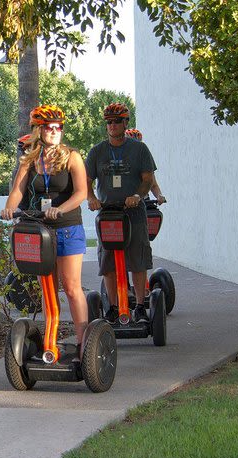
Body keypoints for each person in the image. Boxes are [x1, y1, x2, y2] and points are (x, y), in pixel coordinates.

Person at [1, 105, 89, 355]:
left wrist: (61, 209)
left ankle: (84, 343)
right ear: (38, 130)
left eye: (58, 127)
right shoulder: (30, 160)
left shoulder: (72, 156)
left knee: (71, 287)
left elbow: (81, 192)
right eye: (49, 127)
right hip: (41, 230)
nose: (54, 131)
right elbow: (18, 189)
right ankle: (51, 341)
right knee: (47, 287)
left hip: (67, 228)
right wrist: (9, 208)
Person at [86, 103, 156, 323]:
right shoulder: (97, 151)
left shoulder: (139, 149)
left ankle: (141, 308)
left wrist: (137, 196)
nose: (112, 125)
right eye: (109, 122)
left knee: (137, 261)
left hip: (133, 214)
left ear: (126, 123)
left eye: (117, 121)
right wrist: (91, 198)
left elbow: (147, 179)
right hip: (107, 215)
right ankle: (114, 308)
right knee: (108, 264)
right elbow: (86, 181)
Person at [125, 128, 166, 205]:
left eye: (137, 144)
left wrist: (159, 196)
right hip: (122, 201)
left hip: (142, 200)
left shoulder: (144, 157)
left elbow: (153, 184)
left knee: (155, 214)